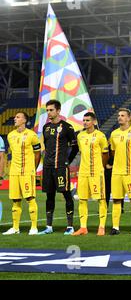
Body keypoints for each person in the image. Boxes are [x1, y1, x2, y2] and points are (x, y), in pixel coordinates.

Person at [38, 100, 79, 235]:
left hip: (61, 167)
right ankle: (49, 226)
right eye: (47, 110)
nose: (49, 112)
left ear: (58, 111)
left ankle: (70, 226)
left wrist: (67, 161)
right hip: (48, 167)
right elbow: (47, 147)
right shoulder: (46, 128)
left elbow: (75, 147)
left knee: (66, 195)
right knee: (49, 196)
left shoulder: (67, 127)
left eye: (51, 110)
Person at [2, 112, 41, 235]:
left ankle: (34, 227)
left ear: (24, 120)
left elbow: (38, 153)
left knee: (30, 198)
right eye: (15, 117)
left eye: (18, 117)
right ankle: (15, 228)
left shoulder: (32, 135)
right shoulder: (10, 135)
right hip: (14, 172)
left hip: (27, 171)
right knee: (15, 200)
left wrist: (32, 168)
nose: (15, 119)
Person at [109, 108, 131, 236]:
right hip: (116, 172)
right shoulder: (113, 134)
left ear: (129, 118)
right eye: (119, 115)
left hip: (130, 172)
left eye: (123, 115)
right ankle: (115, 227)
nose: (120, 117)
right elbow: (113, 152)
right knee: (117, 200)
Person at [72, 112, 109, 236]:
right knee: (82, 199)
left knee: (100, 199)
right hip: (83, 172)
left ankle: (102, 227)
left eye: (88, 120)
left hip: (96, 172)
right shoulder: (80, 136)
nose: (85, 122)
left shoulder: (100, 136)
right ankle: (83, 228)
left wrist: (100, 167)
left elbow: (105, 154)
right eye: (84, 120)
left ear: (94, 122)